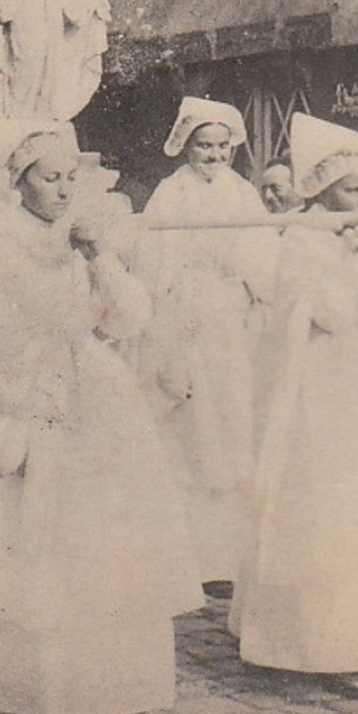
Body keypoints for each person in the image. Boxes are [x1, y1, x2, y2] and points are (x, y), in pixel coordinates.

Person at [0, 120, 200, 714]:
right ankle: (22, 684)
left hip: (94, 401)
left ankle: (111, 683)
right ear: (21, 183)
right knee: (27, 544)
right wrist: (12, 422)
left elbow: (127, 320)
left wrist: (100, 259)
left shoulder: (81, 241)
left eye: (72, 178)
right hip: (28, 406)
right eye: (50, 178)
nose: (64, 190)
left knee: (105, 539)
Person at [232, 117, 358, 714]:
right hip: (321, 411)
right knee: (321, 526)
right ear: (320, 193)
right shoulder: (301, 242)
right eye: (352, 192)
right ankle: (294, 645)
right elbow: (329, 312)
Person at [136, 97, 279, 587]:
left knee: (233, 422)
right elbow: (154, 258)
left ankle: (230, 555)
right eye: (204, 147)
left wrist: (246, 276)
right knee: (192, 427)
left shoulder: (242, 193)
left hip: (230, 317)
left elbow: (262, 256)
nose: (213, 156)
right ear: (187, 147)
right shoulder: (171, 193)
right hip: (188, 314)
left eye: (221, 147)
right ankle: (188, 554)